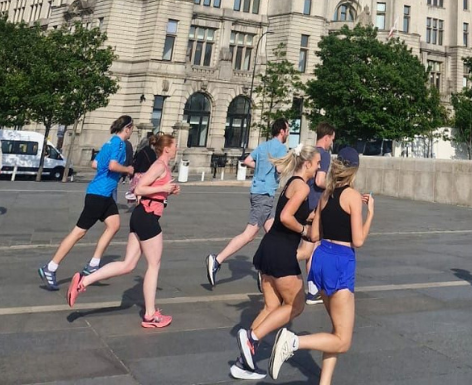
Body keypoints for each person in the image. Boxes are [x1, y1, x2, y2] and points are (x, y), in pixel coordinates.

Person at [268, 146, 374, 384]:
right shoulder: (353, 197)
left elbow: (314, 235)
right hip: (341, 262)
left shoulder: (325, 195)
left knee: (336, 331)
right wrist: (371, 215)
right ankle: (294, 342)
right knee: (343, 340)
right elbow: (358, 240)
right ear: (354, 170)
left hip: (321, 257)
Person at [67, 132, 180, 329]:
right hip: (147, 216)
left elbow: (150, 187)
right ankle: (150, 315)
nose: (177, 148)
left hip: (141, 215)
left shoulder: (161, 166)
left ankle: (83, 281)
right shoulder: (159, 165)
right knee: (154, 265)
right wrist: (166, 190)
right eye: (175, 145)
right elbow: (139, 189)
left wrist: (168, 190)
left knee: (128, 264)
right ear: (167, 148)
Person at [231, 143, 321, 381]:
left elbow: (294, 212)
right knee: (296, 305)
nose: (319, 168)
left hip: (269, 249)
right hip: (282, 252)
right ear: (308, 163)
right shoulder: (301, 186)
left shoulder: (292, 182)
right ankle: (252, 338)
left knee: (271, 306)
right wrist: (305, 231)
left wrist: (316, 216)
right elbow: (284, 216)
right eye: (318, 164)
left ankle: (243, 362)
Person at [38, 115, 135, 290]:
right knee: (78, 233)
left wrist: (106, 171)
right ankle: (50, 267)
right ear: (127, 128)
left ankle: (93, 264)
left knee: (114, 225)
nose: (131, 133)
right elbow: (113, 166)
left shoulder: (108, 143)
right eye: (132, 129)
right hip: (99, 194)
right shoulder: (119, 144)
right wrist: (127, 169)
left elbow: (94, 163)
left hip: (103, 194)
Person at [206, 118, 290, 287]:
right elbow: (280, 169)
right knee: (249, 234)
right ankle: (217, 260)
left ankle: (264, 272)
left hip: (258, 192)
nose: (288, 132)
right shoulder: (281, 149)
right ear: (282, 131)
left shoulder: (263, 146)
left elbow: (247, 161)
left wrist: (261, 167)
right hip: (265, 194)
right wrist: (288, 162)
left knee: (273, 234)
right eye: (287, 129)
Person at [305, 122, 336, 304]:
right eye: (332, 139)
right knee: (314, 248)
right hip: (315, 204)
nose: (332, 142)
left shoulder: (310, 152)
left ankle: (312, 289)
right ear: (327, 137)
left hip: (305, 202)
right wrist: (333, 186)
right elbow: (319, 180)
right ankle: (272, 267)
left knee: (310, 247)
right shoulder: (324, 155)